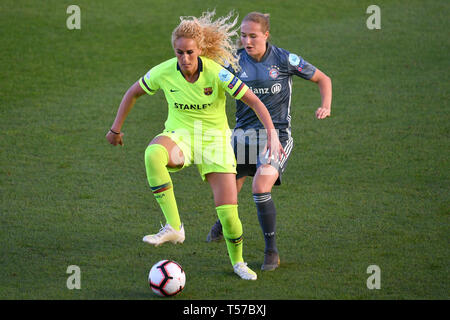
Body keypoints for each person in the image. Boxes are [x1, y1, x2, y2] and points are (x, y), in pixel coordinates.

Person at [105, 11, 284, 281]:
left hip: (214, 142)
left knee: (228, 214)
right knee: (153, 153)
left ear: (199, 50)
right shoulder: (164, 72)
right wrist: (115, 129)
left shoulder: (216, 73)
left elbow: (254, 101)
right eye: (179, 52)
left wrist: (271, 133)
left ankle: (238, 262)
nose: (185, 59)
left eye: (190, 52)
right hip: (181, 137)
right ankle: (174, 226)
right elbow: (133, 92)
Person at [206, 12, 332, 272]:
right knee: (230, 187)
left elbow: (323, 79)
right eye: (242, 36)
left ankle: (271, 251)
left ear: (266, 35)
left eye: (253, 36)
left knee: (260, 187)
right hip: (242, 136)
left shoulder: (284, 59)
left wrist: (325, 105)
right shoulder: (233, 62)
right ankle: (223, 223)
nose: (247, 41)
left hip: (276, 136)